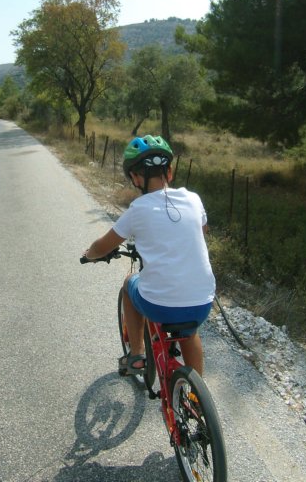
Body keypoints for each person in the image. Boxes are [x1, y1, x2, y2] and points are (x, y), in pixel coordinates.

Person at [83, 135, 216, 375]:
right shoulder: (193, 199)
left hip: (159, 305)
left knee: (129, 284)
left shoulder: (138, 210)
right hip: (202, 302)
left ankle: (136, 355)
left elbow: (102, 246)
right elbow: (202, 230)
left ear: (135, 178)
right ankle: (197, 393)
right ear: (170, 172)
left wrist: (89, 255)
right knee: (189, 333)